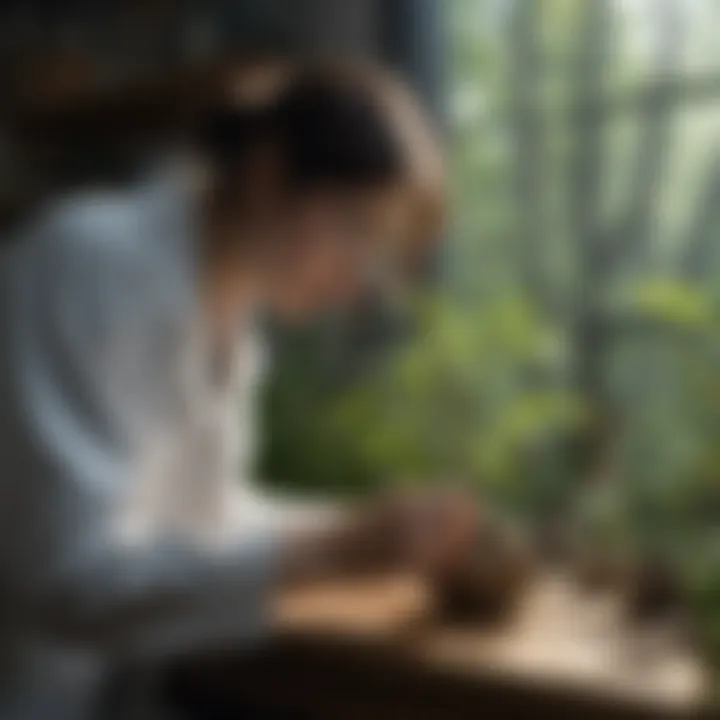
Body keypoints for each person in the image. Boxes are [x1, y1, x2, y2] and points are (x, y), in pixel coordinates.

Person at [0, 60, 473, 719]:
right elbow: (66, 584)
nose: (361, 279)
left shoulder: (229, 322)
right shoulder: (88, 267)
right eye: (353, 228)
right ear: (267, 175)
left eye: (380, 250)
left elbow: (204, 518)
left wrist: (365, 528)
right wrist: (335, 550)